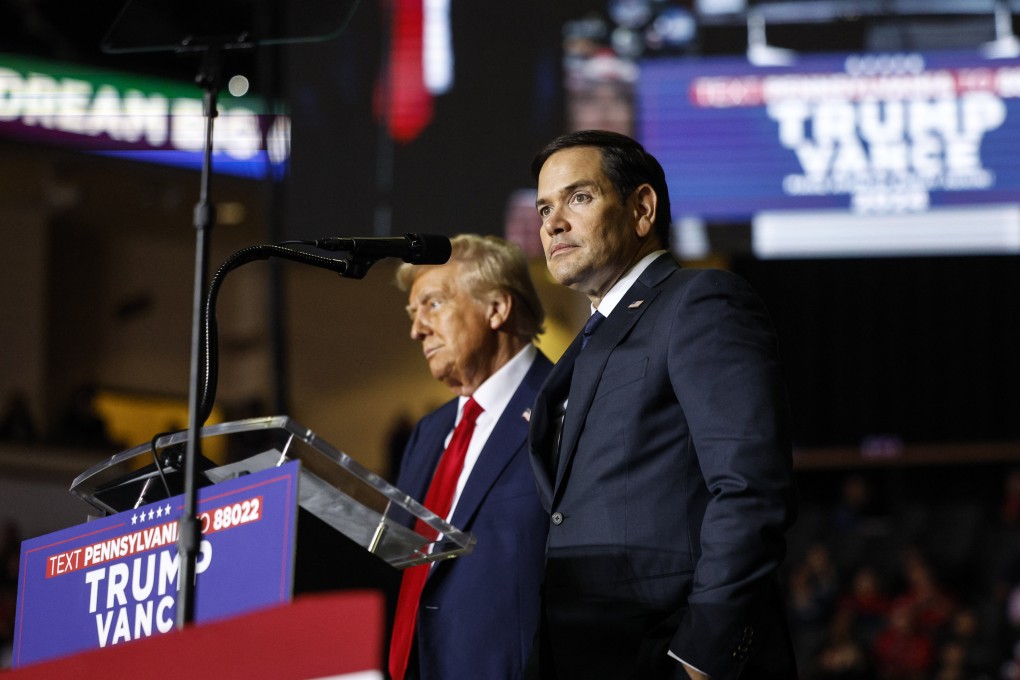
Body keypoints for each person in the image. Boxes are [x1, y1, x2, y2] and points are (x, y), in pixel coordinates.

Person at [527, 130, 798, 679]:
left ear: (642, 209)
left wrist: (701, 656)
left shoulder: (699, 303)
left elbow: (749, 488)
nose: (553, 223)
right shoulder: (590, 340)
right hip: (585, 652)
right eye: (545, 208)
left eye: (579, 197)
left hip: (668, 652)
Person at [389, 234, 553, 680]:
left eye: (433, 304)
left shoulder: (565, 409)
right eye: (413, 313)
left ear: (496, 308)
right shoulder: (429, 431)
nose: (417, 329)